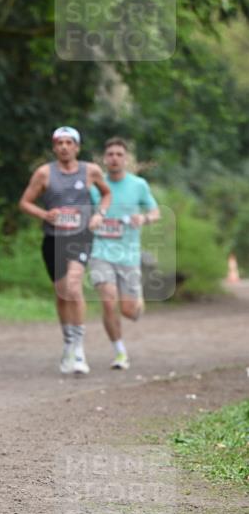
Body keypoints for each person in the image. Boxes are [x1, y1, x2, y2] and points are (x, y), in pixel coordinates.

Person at [19, 126, 111, 375]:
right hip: (53, 239)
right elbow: (25, 202)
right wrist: (44, 214)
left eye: (69, 143)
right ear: (54, 147)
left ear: (77, 147)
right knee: (62, 293)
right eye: (60, 143)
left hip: (80, 236)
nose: (64, 147)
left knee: (73, 286)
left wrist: (99, 215)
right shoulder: (43, 173)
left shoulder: (90, 170)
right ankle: (68, 342)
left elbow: (106, 194)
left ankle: (80, 349)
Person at [89, 137, 160, 369]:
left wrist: (144, 218)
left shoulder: (138, 185)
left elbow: (155, 212)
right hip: (101, 252)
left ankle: (137, 301)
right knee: (109, 302)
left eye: (119, 154)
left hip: (128, 255)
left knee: (129, 311)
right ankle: (120, 352)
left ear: (126, 159)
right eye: (110, 154)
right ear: (104, 159)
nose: (114, 158)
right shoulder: (95, 187)